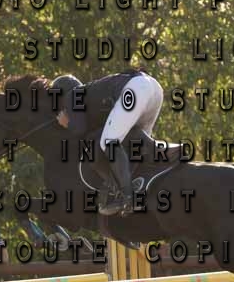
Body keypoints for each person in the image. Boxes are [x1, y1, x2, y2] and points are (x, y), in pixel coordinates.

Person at [49, 70, 164, 216]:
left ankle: (129, 197)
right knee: (135, 142)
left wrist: (67, 123)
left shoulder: (72, 95)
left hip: (136, 88)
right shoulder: (89, 96)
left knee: (109, 143)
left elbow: (80, 129)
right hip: (154, 88)